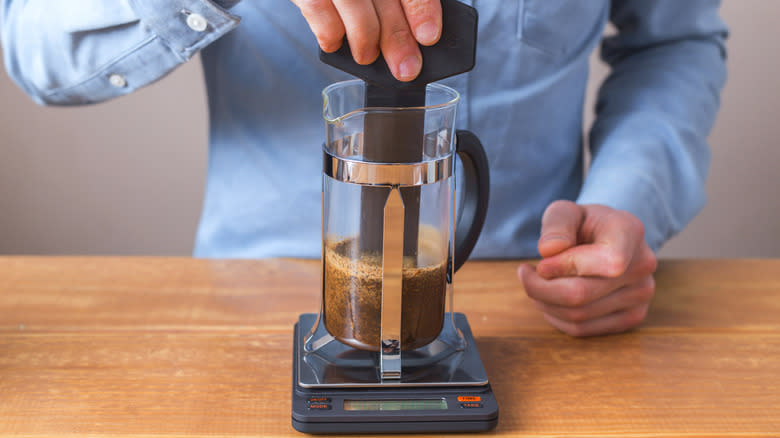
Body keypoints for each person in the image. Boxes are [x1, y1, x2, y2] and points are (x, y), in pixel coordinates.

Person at [0, 1, 727, 336]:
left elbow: (673, 42)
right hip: (240, 316)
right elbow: (32, 51)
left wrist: (631, 197)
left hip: (538, 304)